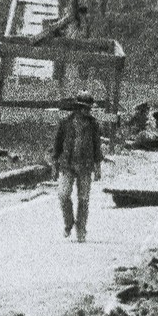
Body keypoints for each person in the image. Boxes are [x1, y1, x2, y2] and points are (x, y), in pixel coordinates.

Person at [52, 91, 102, 242]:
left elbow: (97, 147)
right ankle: (69, 222)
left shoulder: (93, 125)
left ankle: (81, 229)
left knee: (83, 199)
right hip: (67, 164)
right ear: (77, 108)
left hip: (86, 166)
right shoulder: (65, 123)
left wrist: (98, 167)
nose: (85, 111)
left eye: (88, 108)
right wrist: (55, 165)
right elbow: (57, 145)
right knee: (63, 194)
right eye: (83, 108)